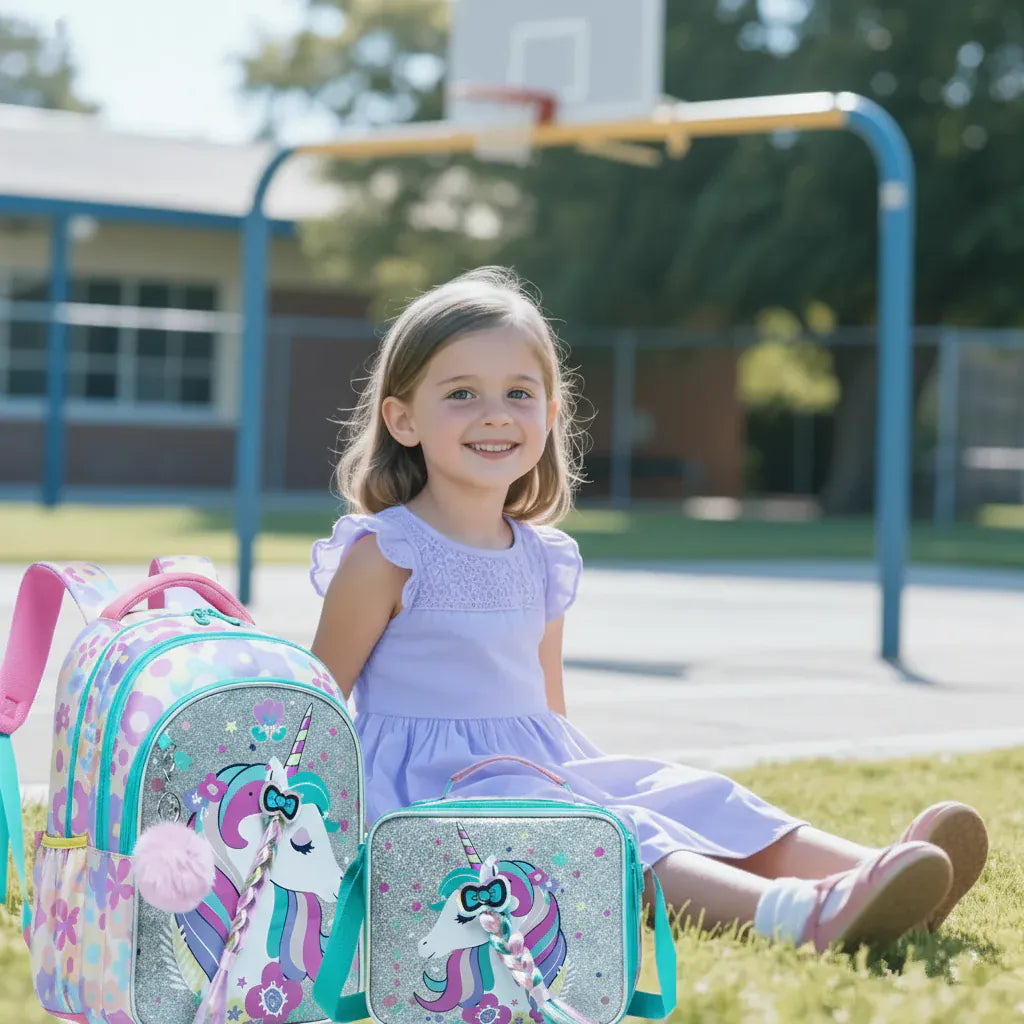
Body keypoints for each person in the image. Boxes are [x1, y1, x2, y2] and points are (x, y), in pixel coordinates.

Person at [310, 267, 988, 952]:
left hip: (536, 762)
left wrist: (592, 783)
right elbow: (317, 707)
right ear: (402, 419)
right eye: (461, 393)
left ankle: (875, 873)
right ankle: (798, 915)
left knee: (692, 794)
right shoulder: (389, 551)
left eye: (519, 393)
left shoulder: (543, 556)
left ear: (550, 414)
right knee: (613, 834)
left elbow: (549, 710)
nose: (495, 414)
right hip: (430, 797)